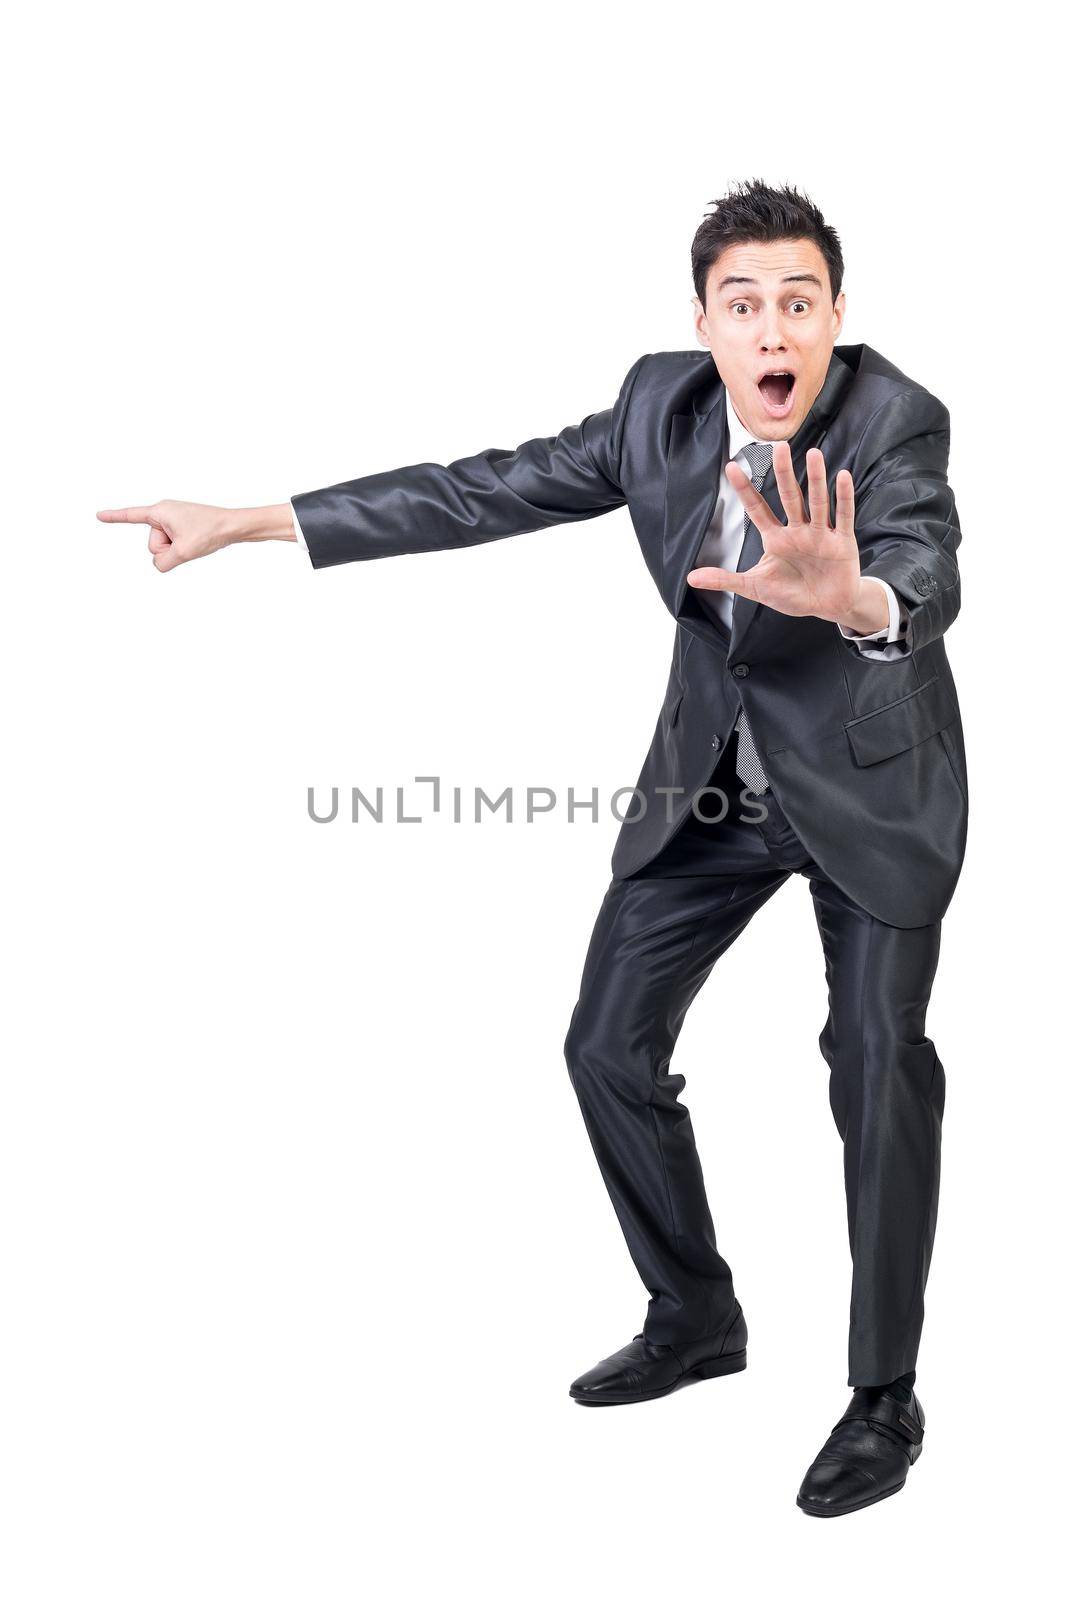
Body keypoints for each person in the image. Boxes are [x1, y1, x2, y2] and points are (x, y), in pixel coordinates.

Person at [98, 179, 965, 1517]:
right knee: (605, 1046)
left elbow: (921, 563)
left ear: (836, 316)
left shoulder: (897, 416)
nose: (774, 329)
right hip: (717, 790)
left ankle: (883, 1397)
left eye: (801, 302)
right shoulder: (656, 409)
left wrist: (850, 593)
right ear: (706, 323)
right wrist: (254, 522)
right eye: (746, 306)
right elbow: (475, 492)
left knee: (875, 1062)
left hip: (869, 785)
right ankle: (695, 1314)